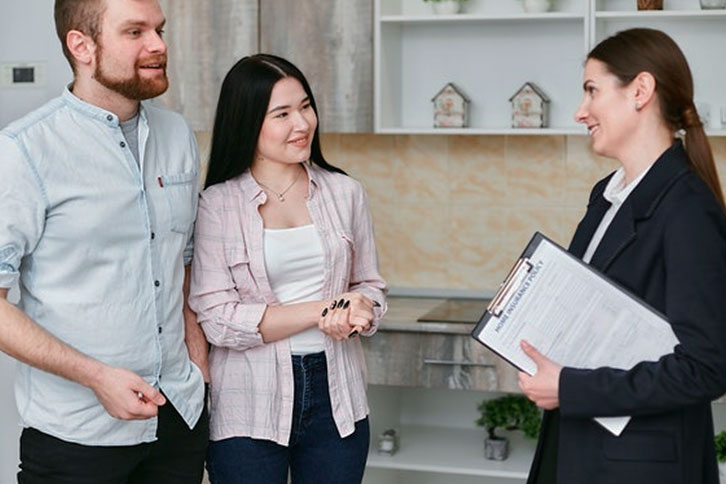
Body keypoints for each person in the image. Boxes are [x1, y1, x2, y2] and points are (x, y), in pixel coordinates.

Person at [0, 0, 210, 482]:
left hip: (178, 419)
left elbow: (185, 260)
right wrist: (96, 377)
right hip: (77, 439)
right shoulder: (24, 151)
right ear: (82, 46)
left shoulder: (178, 134)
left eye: (159, 29)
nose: (158, 45)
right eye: (135, 32)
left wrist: (198, 362)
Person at [518, 28, 726, 484]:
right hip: (579, 445)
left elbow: (706, 368)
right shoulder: (607, 194)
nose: (580, 111)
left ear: (640, 91)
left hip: (640, 465)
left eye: (592, 90)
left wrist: (570, 387)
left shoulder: (688, 208)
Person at [189, 53, 387, 484]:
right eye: (282, 114)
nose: (302, 124)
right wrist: (322, 310)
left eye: (305, 106)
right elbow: (218, 320)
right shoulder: (217, 205)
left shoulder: (345, 192)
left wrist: (360, 310)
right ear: (246, 122)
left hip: (339, 399)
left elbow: (370, 285)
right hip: (248, 402)